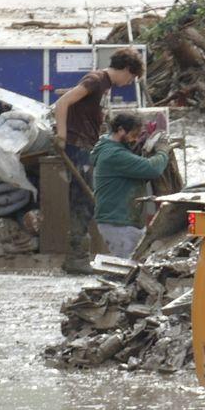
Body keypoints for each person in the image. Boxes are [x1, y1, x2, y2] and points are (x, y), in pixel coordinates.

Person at [51, 49, 144, 273]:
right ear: (125, 69)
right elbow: (63, 102)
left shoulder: (104, 85)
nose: (127, 83)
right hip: (77, 145)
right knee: (82, 200)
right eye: (130, 78)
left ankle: (78, 256)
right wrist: (62, 136)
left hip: (86, 145)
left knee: (86, 199)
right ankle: (76, 259)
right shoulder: (95, 80)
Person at [88, 112, 169, 259]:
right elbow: (153, 169)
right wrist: (163, 151)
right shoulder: (114, 154)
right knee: (126, 269)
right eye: (134, 135)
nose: (136, 139)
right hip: (119, 222)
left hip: (122, 220)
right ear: (120, 130)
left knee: (130, 268)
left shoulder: (110, 147)